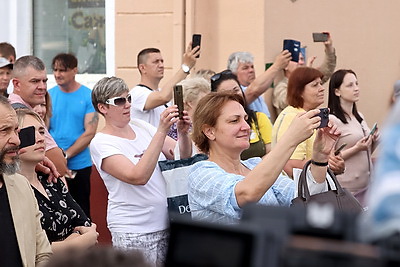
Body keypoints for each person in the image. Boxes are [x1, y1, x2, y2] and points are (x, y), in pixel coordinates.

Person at [188, 91, 340, 224]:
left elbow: (305, 196)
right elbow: (246, 195)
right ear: (209, 131)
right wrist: (290, 139)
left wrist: (320, 157)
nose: (246, 127)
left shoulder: (254, 165)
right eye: (234, 120)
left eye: (245, 119)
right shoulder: (201, 174)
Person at [90, 77, 192, 265]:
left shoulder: (141, 126)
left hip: (165, 223)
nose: (128, 105)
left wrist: (183, 133)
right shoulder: (101, 142)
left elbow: (182, 157)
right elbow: (137, 176)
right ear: (102, 108)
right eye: (119, 101)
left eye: (128, 98)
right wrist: (162, 131)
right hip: (133, 229)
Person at [15, 108, 98, 252]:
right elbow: (29, 250)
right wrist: (79, 241)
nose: (40, 138)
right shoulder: (11, 189)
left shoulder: (50, 179)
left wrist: (76, 237)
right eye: (30, 132)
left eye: (41, 131)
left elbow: (86, 224)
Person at [0, 95, 52, 267]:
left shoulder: (21, 186)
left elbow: (43, 253)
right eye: (4, 131)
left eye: (16, 130)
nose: (17, 140)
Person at [48, 53, 98, 217]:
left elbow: (90, 132)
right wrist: (56, 157)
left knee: (81, 210)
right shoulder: (48, 95)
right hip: (51, 165)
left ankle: (86, 243)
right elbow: (44, 129)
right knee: (56, 212)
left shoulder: (88, 96)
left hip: (80, 165)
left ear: (75, 70)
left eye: (62, 70)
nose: (57, 74)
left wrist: (66, 155)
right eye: (55, 70)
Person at [272, 67, 345, 178]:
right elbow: (290, 167)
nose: (322, 89)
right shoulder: (293, 117)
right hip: (296, 192)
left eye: (321, 84)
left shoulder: (312, 115)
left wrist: (335, 163)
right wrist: (324, 162)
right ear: (299, 91)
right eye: (315, 85)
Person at [9, 55, 68, 177]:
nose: (42, 87)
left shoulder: (9, 108)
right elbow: (59, 167)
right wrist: (61, 155)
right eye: (35, 81)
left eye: (44, 81)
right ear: (16, 84)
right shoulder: (23, 115)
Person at [328, 69, 379, 206]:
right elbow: (330, 160)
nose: (356, 88)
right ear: (337, 91)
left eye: (357, 83)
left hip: (367, 187)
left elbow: (366, 151)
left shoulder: (359, 117)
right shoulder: (332, 120)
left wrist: (373, 141)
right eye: (350, 85)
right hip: (348, 190)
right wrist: (357, 148)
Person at [130, 43, 199, 140]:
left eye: (162, 61)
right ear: (142, 68)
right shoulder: (137, 93)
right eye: (156, 62)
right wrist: (186, 67)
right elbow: (163, 97)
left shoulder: (160, 91)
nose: (161, 65)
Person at [211, 70, 272, 159]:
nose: (233, 95)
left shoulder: (259, 118)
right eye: (226, 93)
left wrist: (254, 169)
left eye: (236, 90)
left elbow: (272, 152)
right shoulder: (214, 125)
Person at [273, 34, 337, 116]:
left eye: (302, 59)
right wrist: (304, 77)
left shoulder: (311, 80)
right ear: (285, 65)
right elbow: (289, 101)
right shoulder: (281, 87)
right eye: (296, 59)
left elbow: (327, 71)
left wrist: (329, 48)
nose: (301, 62)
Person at [227, 50, 291, 119]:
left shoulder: (258, 94)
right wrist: (277, 66)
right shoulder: (237, 92)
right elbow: (253, 91)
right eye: (245, 68)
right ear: (234, 73)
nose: (251, 70)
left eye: (252, 67)